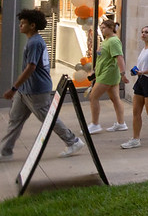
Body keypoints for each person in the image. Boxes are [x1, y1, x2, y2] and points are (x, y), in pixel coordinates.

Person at [1, 9, 85, 160]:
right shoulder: (32, 41)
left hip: (36, 90)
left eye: (23, 23)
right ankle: (5, 152)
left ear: (32, 25)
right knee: (15, 119)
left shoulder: (35, 43)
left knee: (48, 118)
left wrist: (14, 88)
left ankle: (73, 141)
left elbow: (31, 67)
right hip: (25, 90)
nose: (20, 25)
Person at [87, 19, 129, 134]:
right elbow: (102, 57)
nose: (102, 30)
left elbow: (119, 57)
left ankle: (95, 124)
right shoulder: (106, 40)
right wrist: (95, 70)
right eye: (101, 28)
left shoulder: (114, 41)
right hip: (103, 73)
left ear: (111, 28)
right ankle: (121, 123)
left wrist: (123, 74)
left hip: (108, 74)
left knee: (93, 97)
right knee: (115, 98)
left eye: (104, 28)